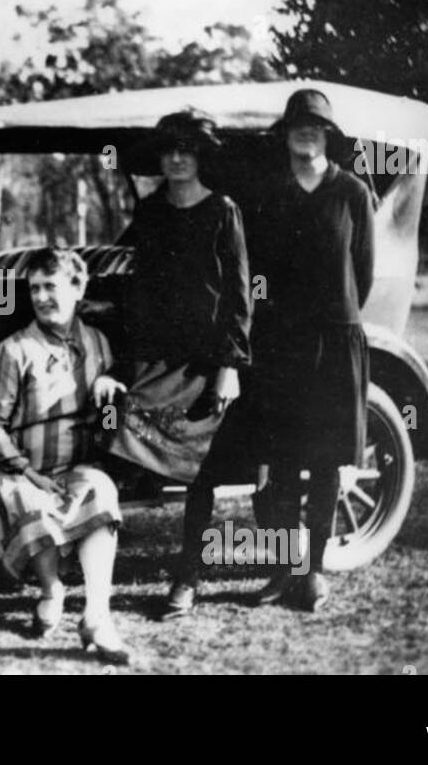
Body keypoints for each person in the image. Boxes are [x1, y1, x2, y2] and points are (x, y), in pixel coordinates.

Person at [93, 110, 252, 618]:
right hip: (152, 359)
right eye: (169, 150)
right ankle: (87, 559)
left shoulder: (223, 210)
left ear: (201, 155)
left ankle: (188, 578)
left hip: (204, 363)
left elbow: (239, 294)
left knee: (198, 474)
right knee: (113, 444)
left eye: (187, 149)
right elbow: (120, 267)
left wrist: (229, 365)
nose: (178, 158)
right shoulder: (150, 211)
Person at [236, 87, 375, 612]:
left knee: (323, 464)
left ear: (329, 135)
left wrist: (333, 316)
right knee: (279, 463)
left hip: (335, 343)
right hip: (280, 344)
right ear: (286, 133)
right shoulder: (269, 193)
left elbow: (360, 271)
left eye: (316, 126)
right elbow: (258, 272)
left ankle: (312, 572)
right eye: (298, 125)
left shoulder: (352, 193)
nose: (307, 133)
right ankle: (279, 572)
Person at [0, 247, 130, 665]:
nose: (42, 297)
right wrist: (28, 471)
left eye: (51, 286)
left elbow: (112, 424)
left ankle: (97, 615)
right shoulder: (15, 350)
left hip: (74, 467)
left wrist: (109, 392)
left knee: (101, 491)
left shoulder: (97, 343)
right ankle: (51, 589)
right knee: (33, 503)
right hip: (16, 470)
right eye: (35, 288)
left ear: (79, 288)